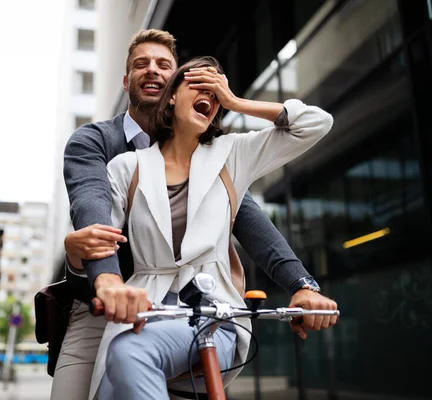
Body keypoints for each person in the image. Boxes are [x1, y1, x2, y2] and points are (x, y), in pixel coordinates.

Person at [50, 29, 336, 400]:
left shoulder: (226, 157)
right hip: (109, 304)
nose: (152, 71)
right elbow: (95, 210)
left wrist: (302, 284)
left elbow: (250, 219)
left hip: (209, 308)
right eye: (141, 64)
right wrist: (105, 280)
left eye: (164, 65)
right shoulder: (111, 153)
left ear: (171, 82)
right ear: (130, 82)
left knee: (131, 355)